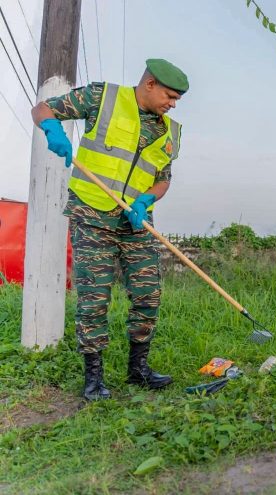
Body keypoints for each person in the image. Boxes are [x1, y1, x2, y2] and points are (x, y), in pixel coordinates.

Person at [30, 59, 188, 400]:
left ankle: (138, 369)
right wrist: (51, 129)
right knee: (94, 298)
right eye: (169, 95)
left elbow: (164, 179)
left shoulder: (171, 131)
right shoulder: (103, 97)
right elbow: (43, 108)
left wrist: (146, 200)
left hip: (137, 222)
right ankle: (94, 379)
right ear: (149, 84)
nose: (173, 104)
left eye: (177, 99)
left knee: (148, 294)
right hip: (92, 216)